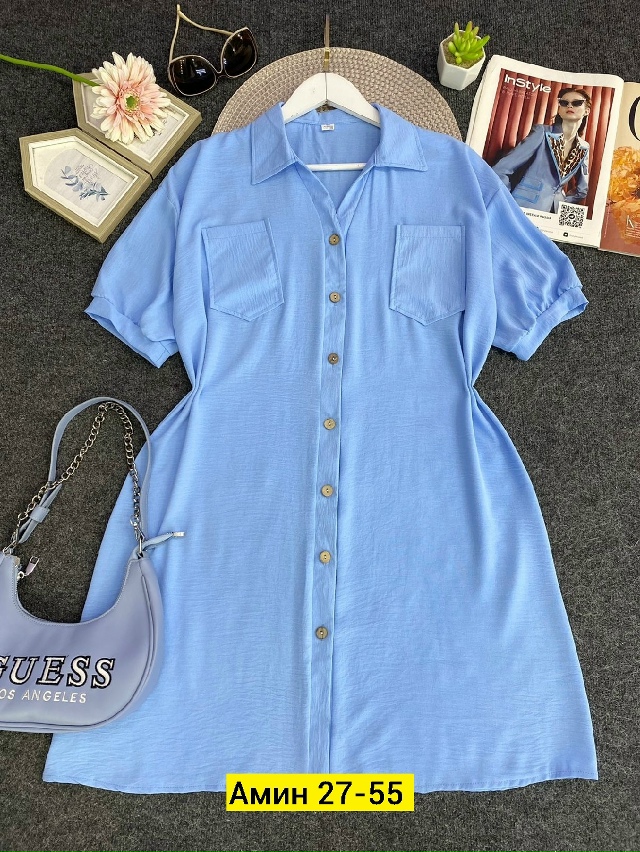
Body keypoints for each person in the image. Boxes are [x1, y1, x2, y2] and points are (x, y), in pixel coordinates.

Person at [492, 88, 591, 213]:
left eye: (577, 103)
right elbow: (501, 169)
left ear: (587, 111)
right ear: (559, 109)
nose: (569, 106)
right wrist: (507, 200)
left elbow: (582, 190)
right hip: (523, 205)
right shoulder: (542, 132)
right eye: (564, 103)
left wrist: (561, 202)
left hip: (554, 212)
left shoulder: (584, 147)